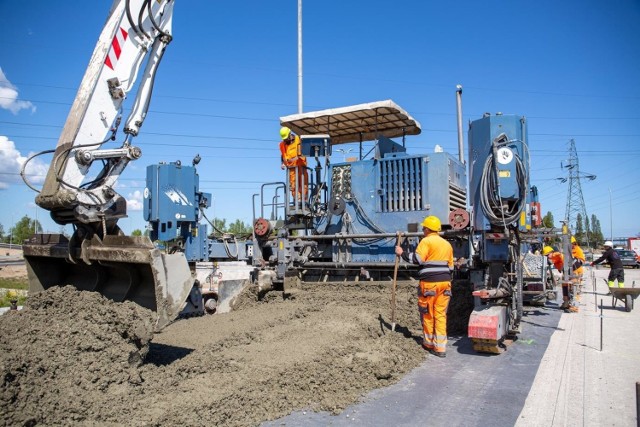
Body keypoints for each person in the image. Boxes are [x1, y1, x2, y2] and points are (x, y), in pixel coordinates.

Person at [395, 215, 453, 358]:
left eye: (423, 228)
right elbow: (451, 267)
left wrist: (402, 253)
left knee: (427, 313)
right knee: (440, 315)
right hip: (445, 284)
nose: (422, 230)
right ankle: (440, 348)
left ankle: (428, 344)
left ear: (427, 229)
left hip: (429, 284)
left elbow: (417, 259)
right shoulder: (447, 244)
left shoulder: (426, 241)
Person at [279, 126, 309, 205]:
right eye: (284, 139)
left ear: (290, 134)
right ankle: (297, 201)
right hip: (292, 169)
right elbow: (283, 155)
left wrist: (293, 159)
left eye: (286, 138)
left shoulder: (298, 139)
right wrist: (282, 163)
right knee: (293, 186)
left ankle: (304, 201)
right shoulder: (282, 145)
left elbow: (303, 153)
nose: (285, 140)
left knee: (303, 184)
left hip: (301, 167)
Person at [542, 245, 577, 312]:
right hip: (568, 270)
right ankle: (566, 303)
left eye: (547, 255)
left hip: (569, 270)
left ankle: (569, 304)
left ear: (551, 252)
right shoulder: (556, 255)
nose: (546, 257)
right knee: (565, 286)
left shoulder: (555, 255)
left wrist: (542, 260)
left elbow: (550, 262)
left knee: (567, 286)